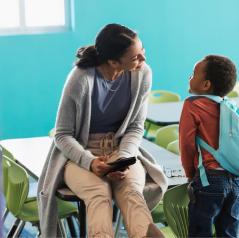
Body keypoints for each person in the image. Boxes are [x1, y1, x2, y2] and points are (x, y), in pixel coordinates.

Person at [37, 23, 168, 238]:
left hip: (121, 150)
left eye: (142, 52)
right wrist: (90, 162)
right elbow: (62, 135)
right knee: (99, 195)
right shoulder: (80, 78)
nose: (143, 60)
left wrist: (124, 158)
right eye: (136, 57)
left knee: (132, 194)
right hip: (80, 154)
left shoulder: (142, 74)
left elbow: (135, 127)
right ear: (113, 61)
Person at [179, 55, 239, 237]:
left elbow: (187, 145)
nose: (189, 77)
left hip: (209, 180)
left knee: (201, 232)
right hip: (236, 180)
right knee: (228, 232)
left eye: (193, 74)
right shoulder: (230, 106)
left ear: (206, 85)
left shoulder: (192, 105)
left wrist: (190, 175)